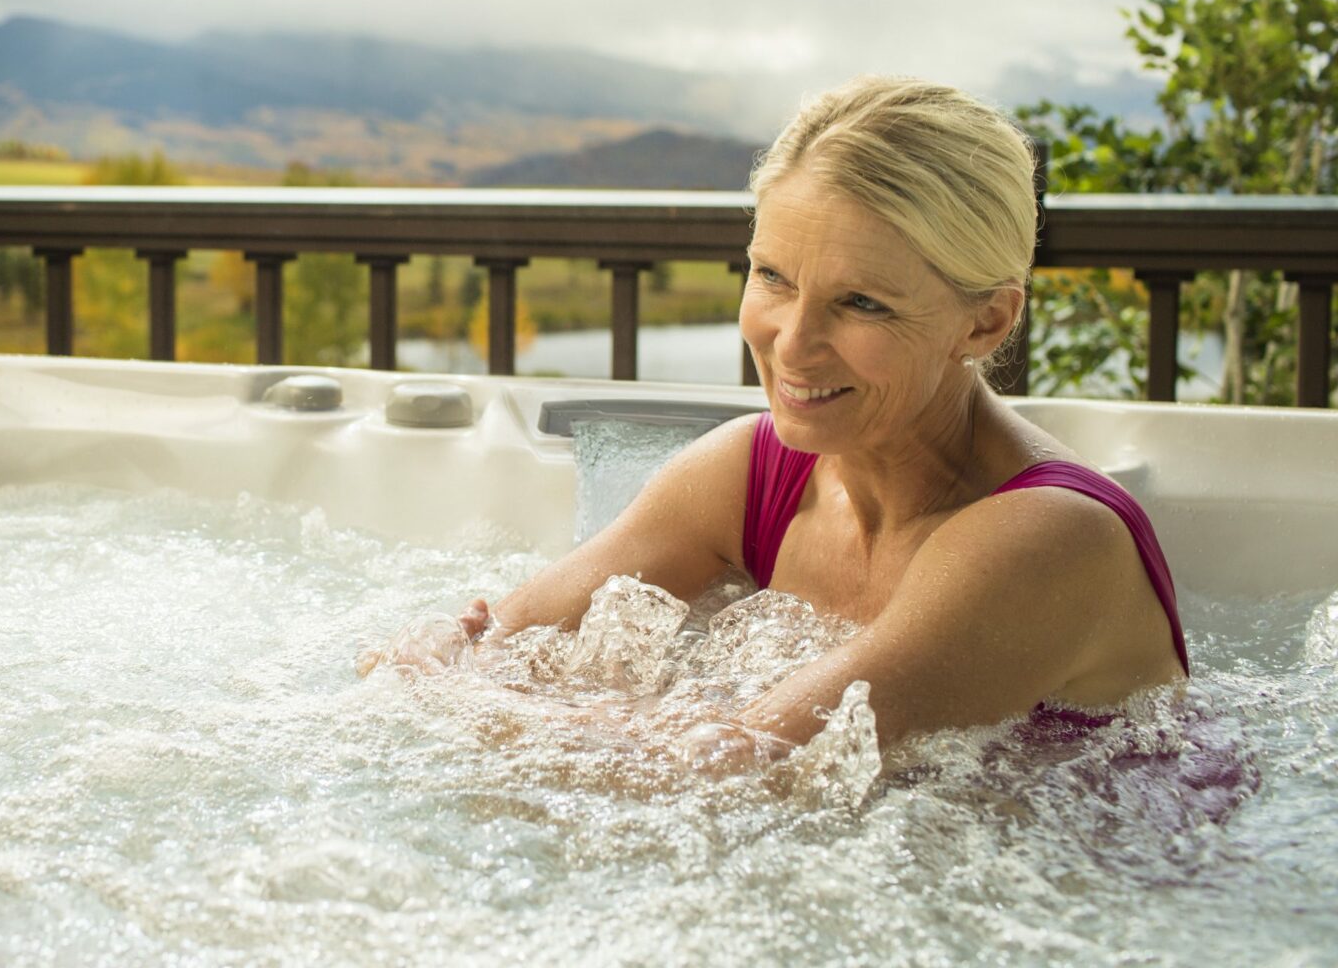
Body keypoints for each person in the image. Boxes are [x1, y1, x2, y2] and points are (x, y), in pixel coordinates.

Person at [445, 77, 1187, 767]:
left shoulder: (1050, 540)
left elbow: (726, 768)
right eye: (773, 277)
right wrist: (448, 659)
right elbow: (488, 645)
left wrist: (465, 700)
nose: (792, 343)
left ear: (986, 322)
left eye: (862, 302)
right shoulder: (752, 473)